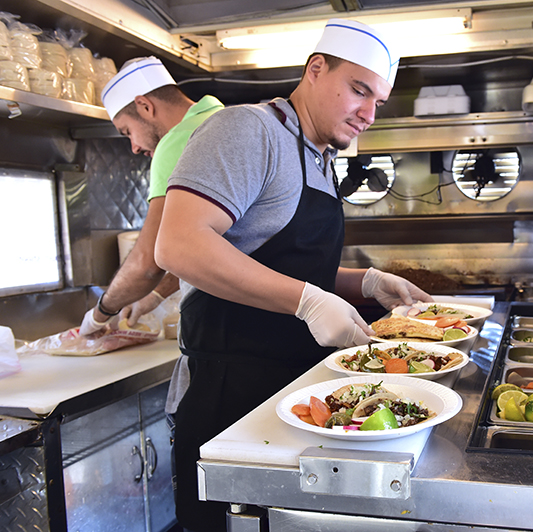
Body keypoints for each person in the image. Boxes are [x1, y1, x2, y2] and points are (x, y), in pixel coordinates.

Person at [154, 19, 432, 531]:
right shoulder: (248, 129)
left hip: (291, 391)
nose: (368, 114)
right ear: (315, 69)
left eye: (379, 102)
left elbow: (282, 261)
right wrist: (308, 301)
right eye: (358, 90)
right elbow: (179, 244)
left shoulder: (318, 156)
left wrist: (362, 282)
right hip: (230, 392)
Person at [79, 57, 224, 335]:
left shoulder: (178, 141)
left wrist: (99, 314)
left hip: (222, 328)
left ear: (145, 106)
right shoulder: (222, 120)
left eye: (127, 131)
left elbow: (147, 262)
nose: (133, 147)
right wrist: (155, 296)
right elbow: (210, 243)